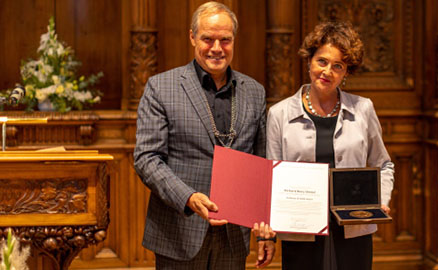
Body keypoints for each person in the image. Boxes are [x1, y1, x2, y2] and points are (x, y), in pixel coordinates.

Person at [134, 2, 275, 269]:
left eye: (225, 40)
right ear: (192, 37)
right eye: (207, 39)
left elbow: (262, 166)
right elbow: (146, 159)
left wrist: (268, 233)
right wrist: (188, 197)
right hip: (179, 231)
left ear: (234, 40)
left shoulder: (255, 92)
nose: (217, 48)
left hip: (234, 236)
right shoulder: (161, 87)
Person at [266, 21, 395, 270]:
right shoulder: (279, 114)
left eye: (338, 66)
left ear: (346, 72)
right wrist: (267, 233)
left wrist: (381, 198)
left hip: (354, 226)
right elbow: (271, 179)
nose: (327, 71)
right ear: (309, 61)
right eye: (322, 61)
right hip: (301, 229)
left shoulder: (364, 109)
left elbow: (384, 164)